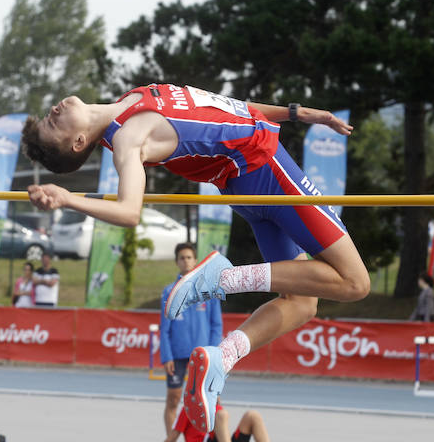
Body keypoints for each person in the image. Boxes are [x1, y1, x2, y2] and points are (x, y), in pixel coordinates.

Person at [22, 83, 369, 432]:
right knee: (355, 283)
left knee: (302, 304)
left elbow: (224, 106)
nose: (53, 112)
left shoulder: (129, 103)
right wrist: (67, 199)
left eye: (48, 118)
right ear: (78, 142)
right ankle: (223, 279)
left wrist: (295, 113)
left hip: (245, 179)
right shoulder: (128, 137)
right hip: (265, 168)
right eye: (52, 126)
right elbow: (130, 211)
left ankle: (223, 356)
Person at [161, 242, 223, 434]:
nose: (186, 261)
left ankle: (215, 437)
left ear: (195, 261)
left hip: (203, 355)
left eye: (189, 257)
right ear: (177, 262)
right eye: (182, 258)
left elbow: (216, 325)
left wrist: (213, 353)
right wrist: (167, 356)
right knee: (173, 398)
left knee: (212, 399)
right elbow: (164, 328)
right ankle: (171, 437)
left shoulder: (208, 290)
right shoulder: (169, 291)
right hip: (178, 353)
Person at [164, 403, 270, 442]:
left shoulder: (216, 407)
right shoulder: (188, 409)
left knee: (252, 416)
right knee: (221, 415)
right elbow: (171, 438)